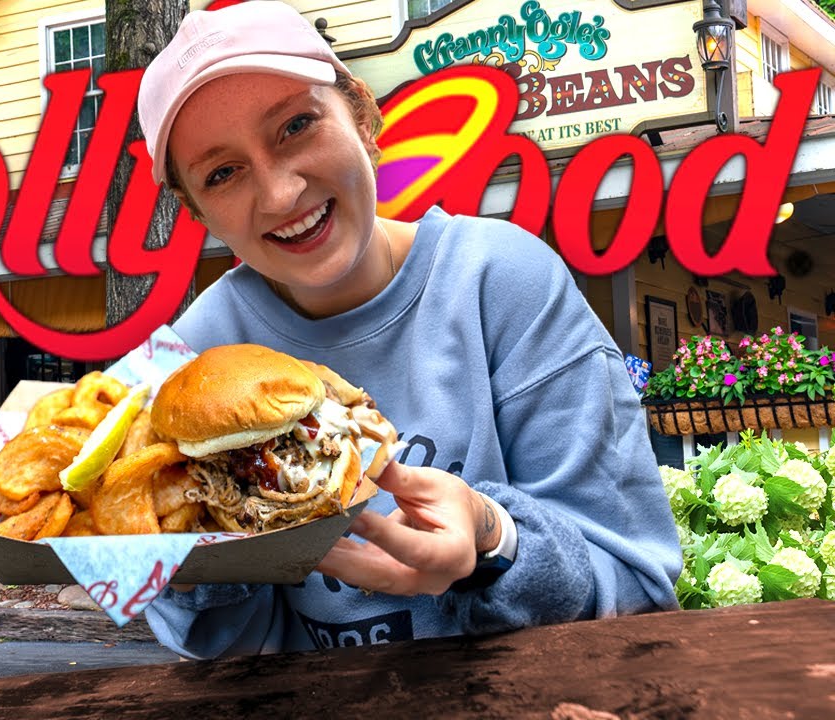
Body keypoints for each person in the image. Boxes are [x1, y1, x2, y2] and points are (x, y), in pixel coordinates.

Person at [137, 1, 681, 658]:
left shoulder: (505, 283)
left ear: (362, 117)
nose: (280, 194)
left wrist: (493, 539)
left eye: (296, 126)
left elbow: (638, 597)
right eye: (222, 173)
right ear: (201, 215)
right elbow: (213, 646)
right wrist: (205, 543)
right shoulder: (194, 360)